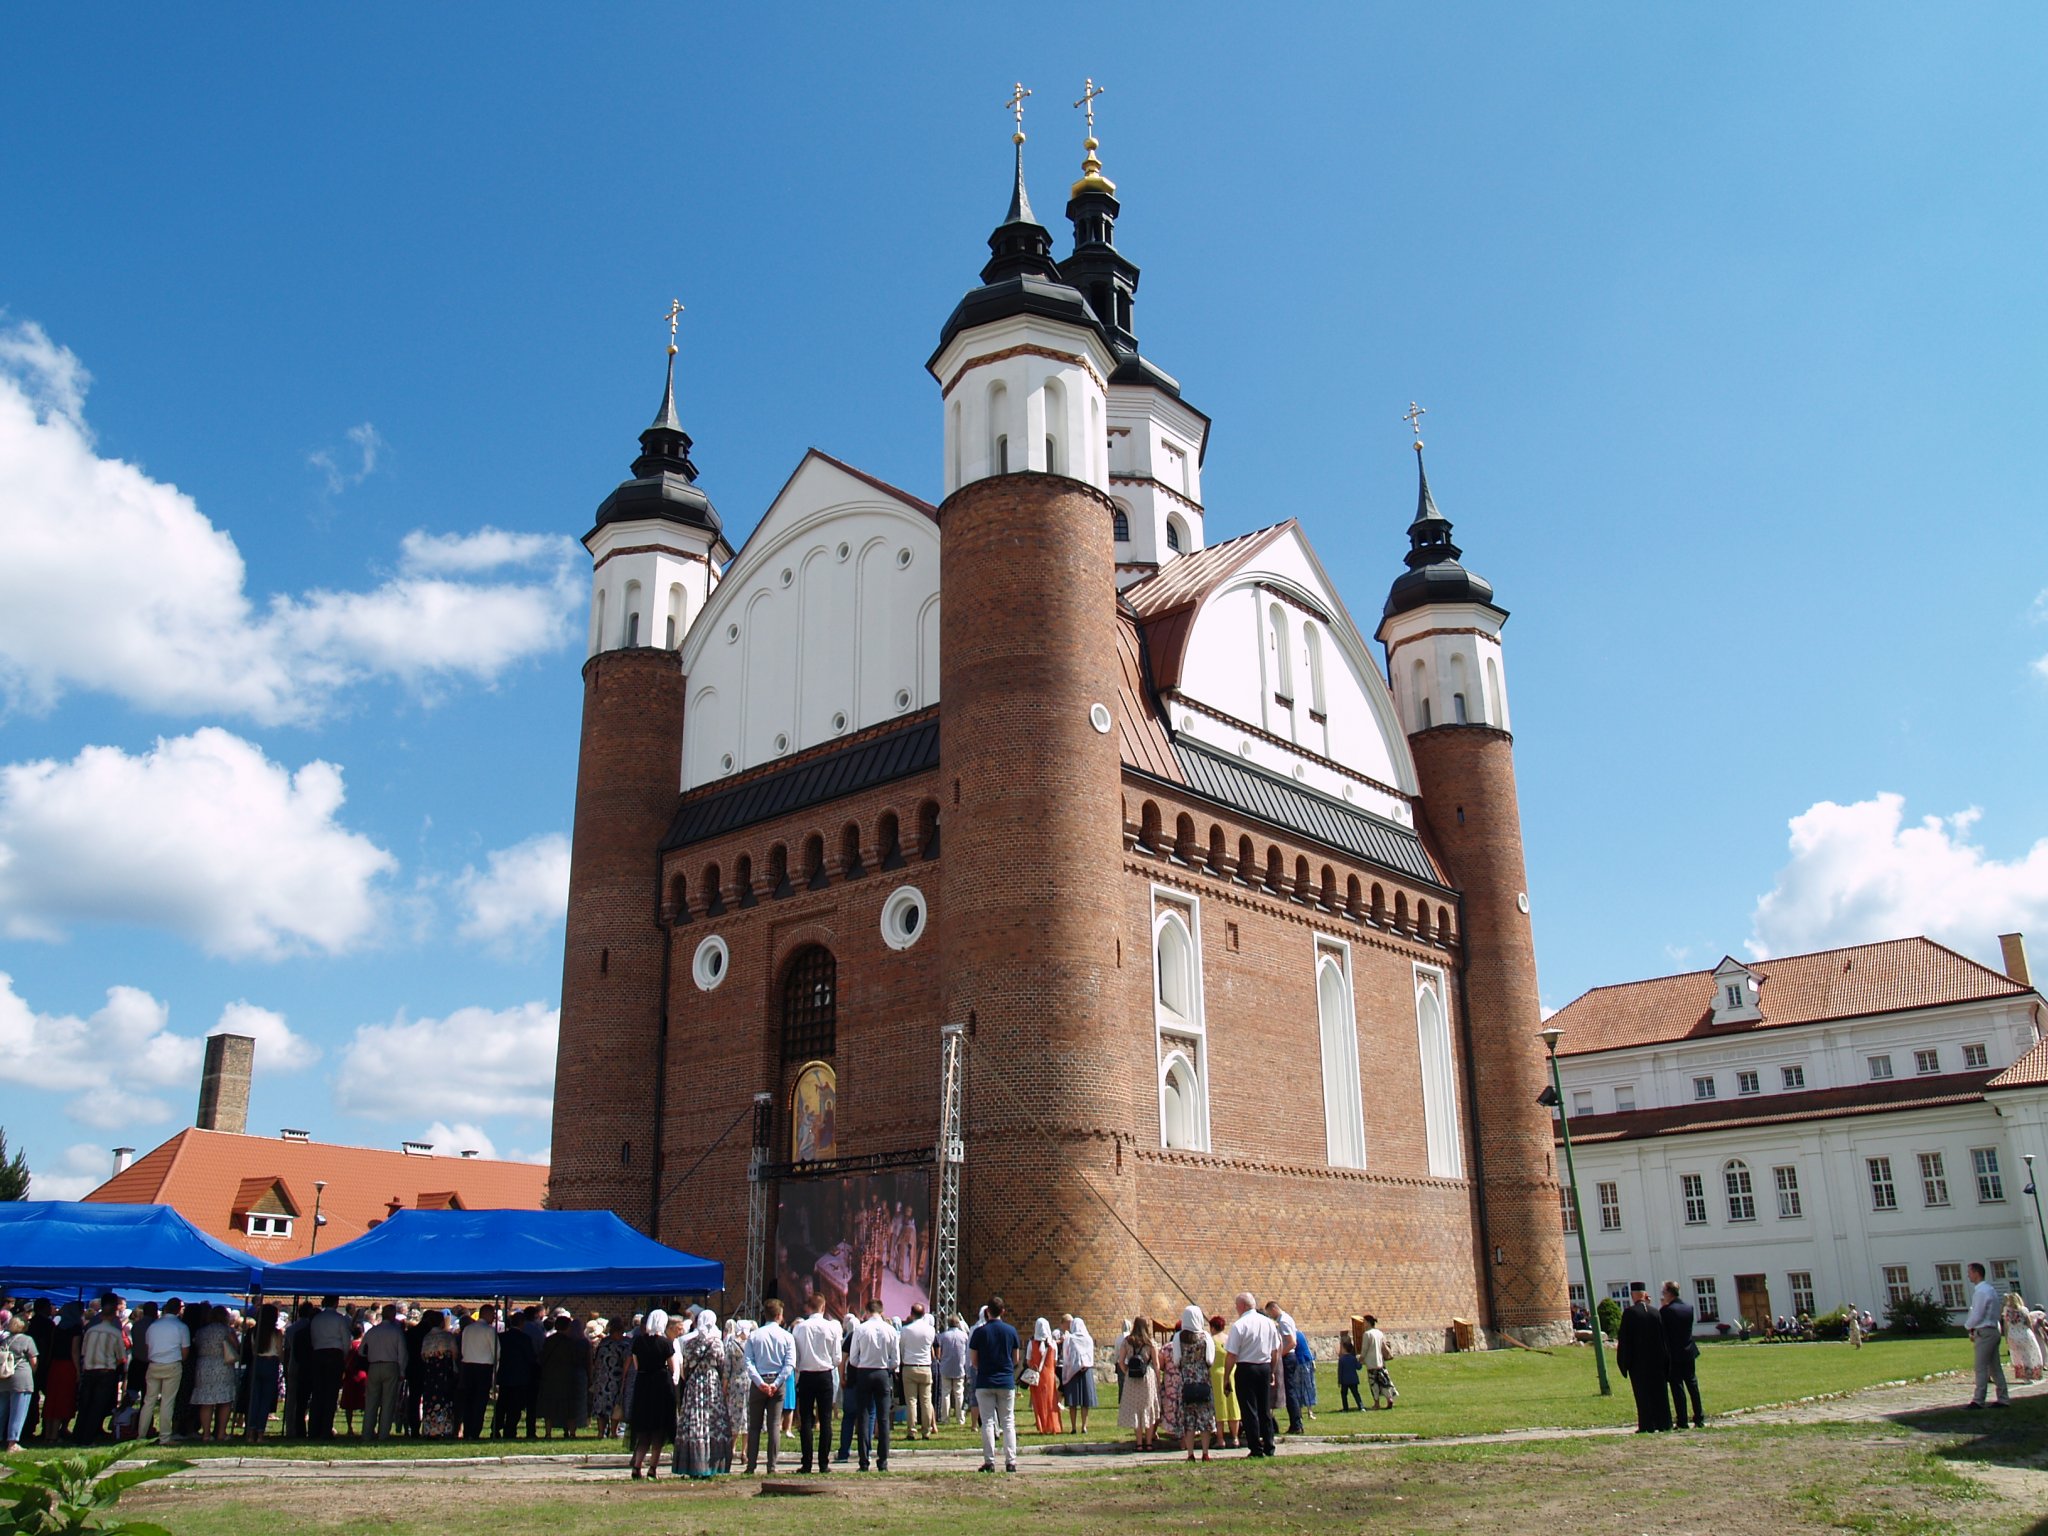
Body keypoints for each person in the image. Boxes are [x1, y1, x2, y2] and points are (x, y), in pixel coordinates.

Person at [674, 1309, 731, 1478]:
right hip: (711, 1384)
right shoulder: (716, 1343)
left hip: (694, 1386)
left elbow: (685, 1366)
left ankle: (692, 1464)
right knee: (711, 1422)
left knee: (695, 1422)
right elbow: (722, 1366)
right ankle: (711, 1464)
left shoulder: (690, 1343)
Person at [1224, 1293, 1282, 1457]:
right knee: (1265, 1409)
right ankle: (1269, 1445)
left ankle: (1256, 1447)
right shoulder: (1268, 1323)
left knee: (1249, 1409)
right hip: (1264, 1366)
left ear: (1241, 1306)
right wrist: (1272, 1370)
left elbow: (1231, 1355)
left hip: (1245, 1368)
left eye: (1237, 1307)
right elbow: (1275, 1350)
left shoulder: (1239, 1325)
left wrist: (1226, 1376)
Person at [967, 1296, 1020, 1474]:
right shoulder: (1011, 1331)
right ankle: (1011, 1461)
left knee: (988, 1422)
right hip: (1006, 1380)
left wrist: (983, 1367)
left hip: (985, 1381)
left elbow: (974, 1360)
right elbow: (1016, 1359)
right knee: (1008, 1421)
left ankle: (989, 1461)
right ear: (1003, 1311)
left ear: (987, 1312)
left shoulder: (979, 1332)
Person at [845, 1299, 898, 1473]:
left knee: (864, 1416)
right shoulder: (891, 1330)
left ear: (867, 1311)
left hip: (864, 1372)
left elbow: (853, 1358)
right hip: (882, 1372)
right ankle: (883, 1461)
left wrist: (863, 1363)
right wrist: (886, 1365)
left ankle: (864, 1460)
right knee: (883, 1418)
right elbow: (895, 1360)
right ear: (882, 1311)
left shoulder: (860, 1329)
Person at [626, 1310, 679, 1479]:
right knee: (659, 1429)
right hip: (660, 1386)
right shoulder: (665, 1343)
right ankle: (652, 1468)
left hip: (643, 1385)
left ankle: (636, 1466)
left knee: (644, 1430)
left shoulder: (638, 1342)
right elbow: (672, 1367)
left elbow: (636, 1364)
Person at [743, 1300, 794, 1475]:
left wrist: (760, 1382)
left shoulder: (755, 1335)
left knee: (754, 1426)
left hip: (759, 1382)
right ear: (779, 1316)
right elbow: (789, 1364)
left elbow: (748, 1362)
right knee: (774, 1425)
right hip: (777, 1383)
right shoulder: (787, 1336)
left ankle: (751, 1465)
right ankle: (771, 1466)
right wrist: (776, 1383)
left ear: (764, 1314)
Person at [791, 1293, 839, 1475]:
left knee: (806, 1419)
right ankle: (824, 1463)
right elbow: (836, 1357)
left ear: (808, 1307)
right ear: (823, 1307)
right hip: (825, 1373)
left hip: (806, 1374)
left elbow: (796, 1355)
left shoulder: (800, 1328)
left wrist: (800, 1367)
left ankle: (807, 1462)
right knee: (825, 1419)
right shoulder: (832, 1328)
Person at [1615, 1282, 1672, 1432]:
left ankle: (1647, 1424)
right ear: (1644, 1293)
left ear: (1633, 1295)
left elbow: (1625, 1340)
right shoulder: (1655, 1312)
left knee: (1643, 1394)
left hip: (1638, 1362)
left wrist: (1624, 1362)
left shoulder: (1630, 1313)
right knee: (1660, 1392)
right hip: (1657, 1360)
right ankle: (1664, 1422)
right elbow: (1663, 1338)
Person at [74, 1296, 128, 1444]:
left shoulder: (90, 1330)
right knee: (98, 1405)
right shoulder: (115, 1332)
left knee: (85, 1404)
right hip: (106, 1371)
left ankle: (78, 1434)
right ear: (113, 1315)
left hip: (89, 1370)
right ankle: (89, 1437)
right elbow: (121, 1356)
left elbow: (84, 1351)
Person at [139, 1296, 191, 1446]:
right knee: (167, 1402)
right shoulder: (181, 1327)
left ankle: (141, 1435)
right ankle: (165, 1437)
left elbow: (148, 1346)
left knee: (148, 1401)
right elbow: (185, 1351)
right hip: (172, 1363)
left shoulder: (154, 1326)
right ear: (179, 1310)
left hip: (154, 1363)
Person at [1171, 1306, 1216, 1463]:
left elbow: (1176, 1360)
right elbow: (1210, 1360)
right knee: (1205, 1418)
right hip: (1203, 1380)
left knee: (1188, 1420)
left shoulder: (1178, 1338)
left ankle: (1190, 1454)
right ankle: (1205, 1453)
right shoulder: (1206, 1337)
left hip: (1186, 1382)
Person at [1962, 1262, 2010, 1409]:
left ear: (1976, 1273)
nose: (1968, 1275)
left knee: (1981, 1367)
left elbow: (1977, 1313)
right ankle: (2003, 1398)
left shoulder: (1982, 1291)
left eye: (1969, 1272)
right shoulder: (1989, 1289)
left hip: (1985, 1331)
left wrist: (1968, 1326)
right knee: (1995, 1367)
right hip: (1993, 1329)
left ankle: (1978, 1400)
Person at [189, 1304, 238, 1443]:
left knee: (206, 1401)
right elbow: (235, 1346)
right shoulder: (227, 1330)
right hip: (222, 1364)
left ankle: (206, 1433)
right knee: (224, 1400)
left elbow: (197, 1345)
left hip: (204, 1365)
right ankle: (221, 1433)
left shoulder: (201, 1331)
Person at [536, 1311, 588, 1438]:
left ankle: (548, 1433)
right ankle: (571, 1432)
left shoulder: (549, 1341)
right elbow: (576, 1359)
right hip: (567, 1378)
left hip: (550, 1377)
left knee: (550, 1407)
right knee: (569, 1408)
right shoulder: (571, 1343)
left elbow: (542, 1357)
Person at [1660, 1282, 1703, 1428]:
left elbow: (1664, 1333)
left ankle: (1683, 1420)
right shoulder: (1688, 1308)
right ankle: (1699, 1417)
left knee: (1677, 1387)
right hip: (1688, 1350)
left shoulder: (1666, 1311)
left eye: (1663, 1292)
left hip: (1674, 1354)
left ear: (1669, 1293)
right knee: (1692, 1384)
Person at [307, 1295, 349, 1440]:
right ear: (336, 1303)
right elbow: (345, 1340)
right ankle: (326, 1429)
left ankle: (313, 1429)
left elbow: (313, 1338)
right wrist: (344, 1356)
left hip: (318, 1354)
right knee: (331, 1394)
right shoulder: (340, 1319)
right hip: (334, 1354)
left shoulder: (317, 1319)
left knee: (317, 1393)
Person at [457, 1304, 500, 1441]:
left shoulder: (467, 1330)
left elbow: (463, 1349)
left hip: (467, 1365)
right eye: (492, 1315)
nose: (493, 1318)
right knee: (480, 1401)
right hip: (483, 1367)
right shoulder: (489, 1331)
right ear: (486, 1314)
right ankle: (475, 1431)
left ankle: (468, 1429)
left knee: (468, 1400)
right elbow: (497, 1352)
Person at [1116, 1317, 1160, 1450]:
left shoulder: (1127, 1342)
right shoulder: (1150, 1342)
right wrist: (1158, 1379)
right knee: (1148, 1408)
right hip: (1147, 1376)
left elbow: (1121, 1361)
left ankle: (1139, 1443)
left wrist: (1127, 1371)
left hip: (1132, 1378)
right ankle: (1149, 1443)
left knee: (1136, 1410)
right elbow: (1156, 1364)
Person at [242, 1303, 282, 1443]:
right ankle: (260, 1433)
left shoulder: (253, 1331)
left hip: (256, 1362)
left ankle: (250, 1432)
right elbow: (280, 1352)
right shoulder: (276, 1333)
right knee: (265, 1400)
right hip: (270, 1363)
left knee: (254, 1399)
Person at [898, 1304, 938, 1441]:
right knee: (926, 1400)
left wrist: (904, 1359)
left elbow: (902, 1348)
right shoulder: (930, 1330)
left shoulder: (905, 1330)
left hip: (909, 1366)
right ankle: (926, 1431)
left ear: (912, 1314)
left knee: (911, 1401)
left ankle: (911, 1430)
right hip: (926, 1366)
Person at [419, 1311, 460, 1438]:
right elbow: (455, 1353)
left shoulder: (426, 1337)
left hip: (431, 1373)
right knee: (445, 1400)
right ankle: (445, 1428)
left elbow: (423, 1355)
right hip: (444, 1372)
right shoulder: (447, 1337)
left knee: (430, 1401)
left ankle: (429, 1429)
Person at [2, 1314, 40, 1452]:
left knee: (2, 1411)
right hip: (22, 1378)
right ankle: (12, 1443)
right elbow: (33, 1361)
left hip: (4, 1378)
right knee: (18, 1412)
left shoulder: (5, 1341)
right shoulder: (27, 1340)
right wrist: (32, 1374)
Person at [1265, 1301, 1303, 1436]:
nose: (1270, 1316)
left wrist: (1279, 1355)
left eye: (1270, 1313)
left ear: (1274, 1308)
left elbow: (1292, 1342)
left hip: (1288, 1358)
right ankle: (1296, 1421)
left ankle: (1296, 1423)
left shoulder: (1284, 1321)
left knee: (1290, 1390)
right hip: (1288, 1357)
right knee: (1289, 1390)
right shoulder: (1284, 1319)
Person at [589, 1315, 630, 1437]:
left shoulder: (604, 1342)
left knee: (601, 1406)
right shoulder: (625, 1344)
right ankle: (613, 1432)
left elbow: (596, 1361)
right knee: (615, 1406)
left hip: (602, 1378)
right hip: (617, 1379)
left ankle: (601, 1433)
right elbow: (627, 1362)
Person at [1058, 1314, 1096, 1435]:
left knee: (1073, 1401)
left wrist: (1069, 1367)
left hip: (1073, 1372)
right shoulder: (1089, 1339)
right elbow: (1090, 1355)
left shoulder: (1070, 1338)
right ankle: (1084, 1426)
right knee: (1085, 1401)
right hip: (1087, 1371)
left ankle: (1074, 1427)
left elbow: (1067, 1355)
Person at [1026, 1318, 1061, 1435]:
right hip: (1049, 1375)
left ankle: (1041, 1425)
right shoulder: (1053, 1344)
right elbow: (1055, 1361)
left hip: (1036, 1376)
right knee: (1051, 1400)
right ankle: (1053, 1425)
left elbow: (1028, 1360)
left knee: (1038, 1400)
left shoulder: (1031, 1344)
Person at [1207, 1315, 1237, 1446]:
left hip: (1216, 1375)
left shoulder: (1211, 1341)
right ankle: (1235, 1438)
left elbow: (1208, 1359)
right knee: (1233, 1405)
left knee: (1219, 1406)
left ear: (1212, 1327)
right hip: (1231, 1374)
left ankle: (1220, 1439)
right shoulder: (1230, 1339)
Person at [936, 1312, 970, 1428]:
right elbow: (967, 1352)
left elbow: (939, 1353)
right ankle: (960, 1418)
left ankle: (945, 1418)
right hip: (959, 1367)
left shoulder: (943, 1336)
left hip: (946, 1367)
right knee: (959, 1393)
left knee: (945, 1393)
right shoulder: (964, 1336)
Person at [2003, 1293, 2044, 1383]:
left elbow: (2006, 1325)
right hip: (2024, 1333)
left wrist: (2006, 1337)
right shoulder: (2023, 1310)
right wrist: (2032, 1333)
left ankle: (2023, 1376)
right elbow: (2028, 1322)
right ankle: (2029, 1375)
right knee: (2028, 1355)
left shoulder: (2007, 1310)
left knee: (2017, 1356)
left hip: (2012, 1334)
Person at [1362, 1315, 1396, 1409]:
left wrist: (1361, 1358)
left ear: (1368, 1322)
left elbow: (1364, 1349)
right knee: (1384, 1381)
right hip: (1380, 1362)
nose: (1363, 1324)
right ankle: (1389, 1398)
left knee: (1374, 1383)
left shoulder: (1367, 1334)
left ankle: (1376, 1403)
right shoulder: (1379, 1333)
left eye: (1364, 1322)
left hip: (1371, 1363)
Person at [1336, 1336, 1362, 1411]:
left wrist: (1339, 1381)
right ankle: (1361, 1406)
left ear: (1343, 1347)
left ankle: (1345, 1408)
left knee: (1344, 1395)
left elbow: (1340, 1371)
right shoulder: (1353, 1358)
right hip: (1353, 1380)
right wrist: (1360, 1361)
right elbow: (1358, 1367)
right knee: (1356, 1393)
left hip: (1344, 1381)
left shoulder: (1341, 1359)